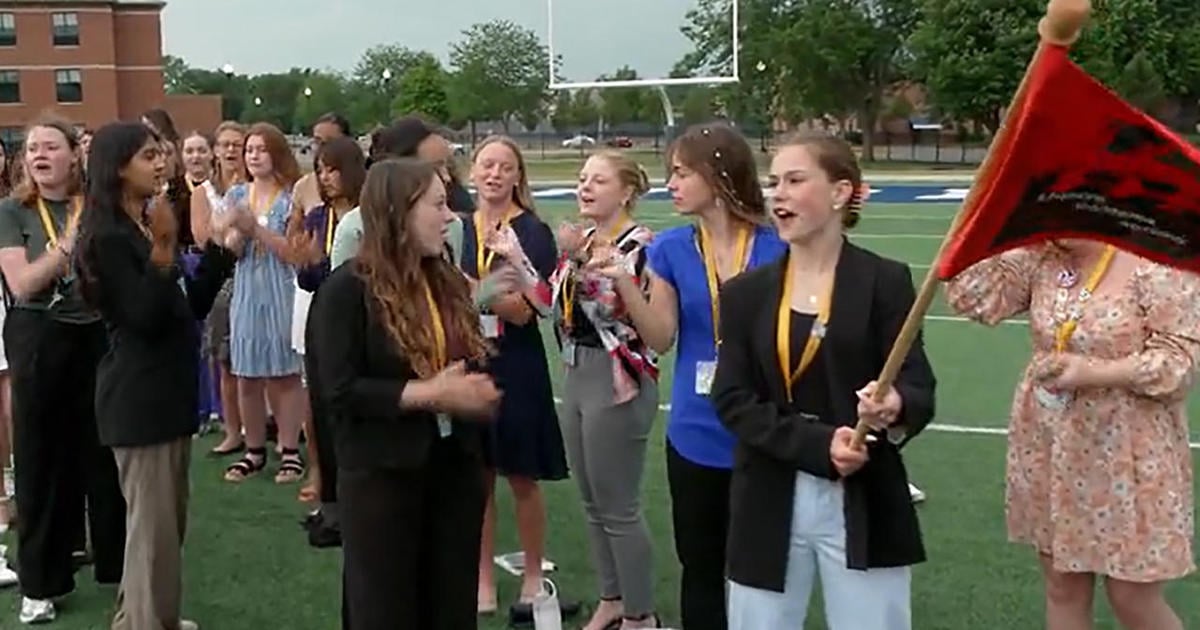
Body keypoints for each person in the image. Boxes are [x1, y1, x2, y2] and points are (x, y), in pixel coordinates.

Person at [710, 132, 935, 629]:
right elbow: (732, 399)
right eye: (774, 183)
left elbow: (919, 387)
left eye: (795, 180)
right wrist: (817, 444)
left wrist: (893, 404)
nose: (779, 195)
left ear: (839, 193)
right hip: (768, 495)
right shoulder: (746, 294)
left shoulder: (886, 282)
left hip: (864, 499)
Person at [945, 241, 1199, 625]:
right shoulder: (1042, 254)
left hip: (1131, 448)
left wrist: (1094, 373)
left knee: (1131, 594)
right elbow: (974, 299)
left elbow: (1179, 364)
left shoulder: (1157, 259)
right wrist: (982, 231)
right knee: (1063, 584)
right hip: (1052, 442)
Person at [310, 158, 507, 629]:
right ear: (398, 211)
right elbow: (337, 392)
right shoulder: (346, 291)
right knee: (385, 609)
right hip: (382, 475)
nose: (451, 217)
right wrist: (430, 394)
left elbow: (465, 358)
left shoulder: (445, 280)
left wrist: (472, 387)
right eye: (439, 205)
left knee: (450, 607)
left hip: (453, 470)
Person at [614, 122, 787, 630]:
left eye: (682, 172)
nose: (671, 183)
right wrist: (626, 283)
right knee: (702, 569)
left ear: (719, 174)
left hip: (764, 431)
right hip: (694, 432)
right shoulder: (669, 248)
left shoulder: (779, 247)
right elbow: (662, 337)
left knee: (761, 571)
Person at [76, 120, 236, 630]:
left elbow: (183, 309)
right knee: (153, 534)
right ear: (118, 168)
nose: (161, 163)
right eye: (148, 156)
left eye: (161, 153)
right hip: (140, 399)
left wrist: (222, 250)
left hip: (164, 394)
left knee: (162, 530)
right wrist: (166, 248)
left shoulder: (139, 225)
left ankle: (141, 617)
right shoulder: (107, 235)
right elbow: (143, 316)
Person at [0, 115, 126, 624]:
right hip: (38, 336)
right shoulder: (12, 211)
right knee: (38, 459)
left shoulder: (96, 205)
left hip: (96, 335)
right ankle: (40, 582)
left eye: (51, 146)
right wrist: (69, 241)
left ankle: (119, 570)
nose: (40, 156)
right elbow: (25, 282)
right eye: (32, 149)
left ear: (76, 154)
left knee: (106, 453)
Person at [552, 150, 661, 629]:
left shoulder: (641, 245)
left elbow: (620, 315)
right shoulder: (587, 238)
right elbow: (551, 306)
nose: (584, 187)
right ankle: (612, 598)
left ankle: (641, 614)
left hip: (618, 380)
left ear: (627, 191)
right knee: (592, 501)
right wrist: (514, 259)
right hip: (577, 373)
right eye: (581, 178)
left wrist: (583, 260)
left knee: (619, 505)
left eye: (598, 180)